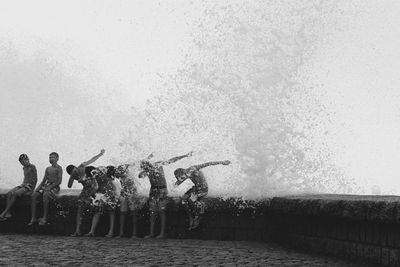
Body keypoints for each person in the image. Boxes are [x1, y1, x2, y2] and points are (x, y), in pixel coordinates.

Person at [138, 151, 193, 238]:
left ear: (148, 164)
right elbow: (140, 176)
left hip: (162, 190)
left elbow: (172, 160)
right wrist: (146, 166)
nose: (144, 168)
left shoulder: (157, 165)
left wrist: (185, 156)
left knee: (161, 212)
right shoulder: (146, 171)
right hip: (153, 191)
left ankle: (162, 233)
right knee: (152, 212)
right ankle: (151, 233)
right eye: (143, 167)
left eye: (144, 167)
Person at [174, 160, 231, 230]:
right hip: (195, 188)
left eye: (181, 177)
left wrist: (222, 162)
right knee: (183, 200)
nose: (181, 179)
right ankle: (191, 218)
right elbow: (178, 182)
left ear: (183, 172)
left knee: (192, 200)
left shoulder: (193, 168)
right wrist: (173, 188)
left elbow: (208, 163)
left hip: (203, 189)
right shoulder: (185, 174)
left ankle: (198, 217)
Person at [66, 149, 105, 236]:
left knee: (95, 207)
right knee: (80, 208)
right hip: (86, 189)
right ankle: (77, 230)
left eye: (75, 171)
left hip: (95, 186)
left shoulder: (82, 166)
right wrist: (72, 177)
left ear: (76, 167)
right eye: (73, 173)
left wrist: (100, 154)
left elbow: (92, 159)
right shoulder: (73, 175)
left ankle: (92, 231)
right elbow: (69, 186)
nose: (75, 173)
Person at [84, 166, 120, 237]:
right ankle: (110, 231)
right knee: (110, 213)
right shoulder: (114, 179)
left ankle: (92, 231)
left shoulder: (106, 179)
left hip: (108, 197)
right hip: (110, 198)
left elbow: (99, 188)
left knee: (98, 212)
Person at [0, 154, 37, 221]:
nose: (23, 163)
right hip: (23, 184)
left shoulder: (32, 167)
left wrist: (32, 190)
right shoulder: (24, 168)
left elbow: (35, 179)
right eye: (21, 162)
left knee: (15, 194)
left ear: (27, 160)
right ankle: (8, 213)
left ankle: (4, 212)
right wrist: (22, 185)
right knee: (9, 193)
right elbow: (25, 178)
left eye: (24, 161)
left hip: (29, 186)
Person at [29, 152, 63, 226]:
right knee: (34, 196)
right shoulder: (48, 168)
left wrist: (50, 187)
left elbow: (59, 181)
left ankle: (44, 217)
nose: (51, 158)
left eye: (53, 157)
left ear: (57, 159)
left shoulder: (59, 168)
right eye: (50, 157)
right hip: (47, 185)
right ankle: (33, 217)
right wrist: (37, 189)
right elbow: (44, 181)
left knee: (46, 194)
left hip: (55, 186)